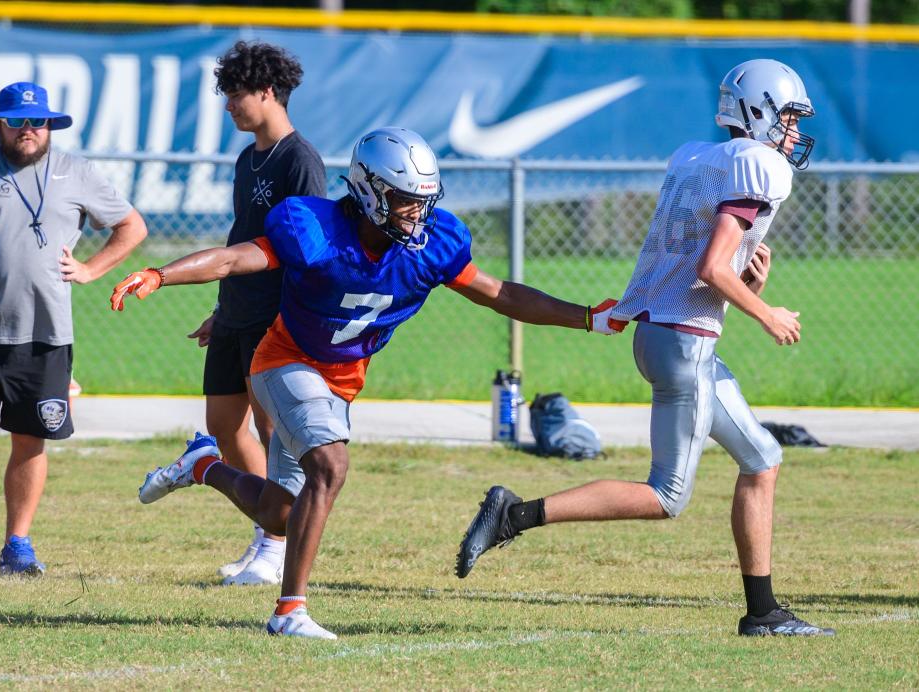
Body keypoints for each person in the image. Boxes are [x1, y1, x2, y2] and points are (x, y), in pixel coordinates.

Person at [110, 127, 616, 639]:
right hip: (284, 362)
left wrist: (587, 317)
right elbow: (236, 257)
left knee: (279, 514)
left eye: (422, 201)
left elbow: (499, 293)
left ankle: (202, 466)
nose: (415, 213)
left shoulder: (433, 244)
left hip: (340, 382)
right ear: (370, 190)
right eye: (403, 201)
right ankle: (289, 611)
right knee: (331, 465)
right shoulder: (315, 227)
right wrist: (160, 274)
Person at [456, 59, 835, 637]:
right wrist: (767, 313)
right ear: (757, 113)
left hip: (670, 336)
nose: (791, 131)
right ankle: (514, 514)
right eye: (785, 117)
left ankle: (764, 612)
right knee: (666, 495)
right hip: (683, 346)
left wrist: (753, 281)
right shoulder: (757, 166)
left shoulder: (698, 157)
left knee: (763, 457)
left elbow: (706, 267)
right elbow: (711, 267)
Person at [0, 82, 148, 576]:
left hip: (46, 335)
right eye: (17, 121)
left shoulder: (77, 172)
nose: (28, 130)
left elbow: (132, 226)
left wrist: (90, 269)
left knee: (30, 439)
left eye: (36, 121)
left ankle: (17, 545)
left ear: (49, 126)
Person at [188, 41, 326, 586]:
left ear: (267, 92)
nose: (228, 105)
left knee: (274, 434)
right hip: (235, 311)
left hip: (276, 320)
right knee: (222, 426)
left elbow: (306, 251)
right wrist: (221, 310)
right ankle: (266, 529)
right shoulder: (248, 159)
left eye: (235, 94)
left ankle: (273, 544)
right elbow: (240, 242)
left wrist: (293, 322)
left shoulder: (301, 159)